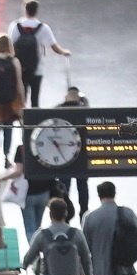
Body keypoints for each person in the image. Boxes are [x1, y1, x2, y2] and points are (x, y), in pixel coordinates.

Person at [9, 0, 72, 108]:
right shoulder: (43, 28)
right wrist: (65, 52)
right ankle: (33, 122)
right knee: (35, 98)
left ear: (25, 9)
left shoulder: (15, 26)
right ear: (36, 11)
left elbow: (10, 46)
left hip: (20, 68)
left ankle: (22, 121)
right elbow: (54, 47)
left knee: (21, 97)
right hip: (37, 69)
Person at [57, 83, 92, 214]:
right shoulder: (84, 111)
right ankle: (84, 211)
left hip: (63, 156)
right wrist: (86, 103)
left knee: (64, 187)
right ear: (79, 98)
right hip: (82, 156)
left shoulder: (57, 110)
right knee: (82, 187)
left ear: (66, 96)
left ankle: (63, 213)